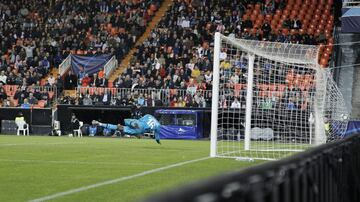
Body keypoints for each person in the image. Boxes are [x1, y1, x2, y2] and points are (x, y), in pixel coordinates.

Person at [94, 114, 161, 144]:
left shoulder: (149, 115)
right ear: (159, 119)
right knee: (120, 128)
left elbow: (141, 119)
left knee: (122, 123)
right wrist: (158, 141)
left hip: (138, 123)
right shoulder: (158, 125)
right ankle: (136, 133)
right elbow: (157, 136)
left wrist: (135, 123)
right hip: (140, 130)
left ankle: (100, 124)